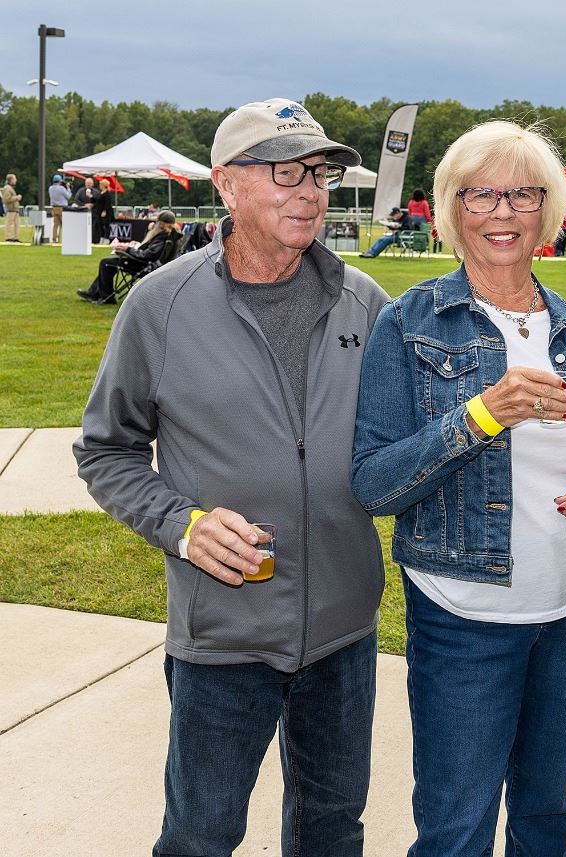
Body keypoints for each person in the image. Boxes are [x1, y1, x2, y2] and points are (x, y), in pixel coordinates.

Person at [73, 96, 388, 856]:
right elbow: (104, 449)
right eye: (286, 171)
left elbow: (421, 427)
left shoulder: (365, 302)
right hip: (222, 636)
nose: (310, 190)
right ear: (226, 183)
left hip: (344, 632)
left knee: (331, 831)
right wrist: (181, 525)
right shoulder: (160, 305)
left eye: (320, 172)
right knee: (200, 835)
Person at [351, 120, 566, 857]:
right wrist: (480, 414)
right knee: (455, 828)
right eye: (481, 195)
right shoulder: (407, 323)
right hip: (463, 617)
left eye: (522, 195)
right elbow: (373, 483)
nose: (502, 214)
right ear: (450, 208)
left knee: (547, 814)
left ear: (550, 210)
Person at [74, 209, 180, 304]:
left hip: (142, 265)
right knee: (108, 263)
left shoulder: (162, 237)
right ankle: (94, 293)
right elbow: (148, 252)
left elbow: (147, 255)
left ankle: (106, 297)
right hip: (144, 263)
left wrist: (128, 249)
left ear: (160, 224)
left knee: (106, 263)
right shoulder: (168, 236)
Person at [48, 174, 71, 243]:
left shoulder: (50, 188)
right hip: (62, 208)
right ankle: (66, 239)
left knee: (55, 225)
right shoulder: (61, 188)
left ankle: (54, 239)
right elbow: (68, 196)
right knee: (64, 224)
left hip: (54, 208)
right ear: (60, 181)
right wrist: (68, 188)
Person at [2, 174, 21, 242]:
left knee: (16, 225)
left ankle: (15, 238)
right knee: (9, 224)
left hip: (15, 210)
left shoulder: (10, 188)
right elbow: (6, 199)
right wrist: (17, 198)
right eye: (15, 179)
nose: (16, 180)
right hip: (11, 210)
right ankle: (8, 237)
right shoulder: (7, 188)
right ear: (11, 180)